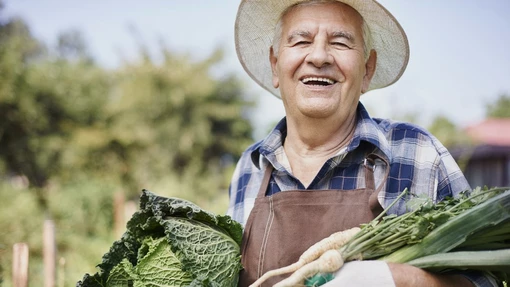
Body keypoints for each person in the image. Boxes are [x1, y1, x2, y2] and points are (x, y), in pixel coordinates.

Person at [227, 0, 500, 286]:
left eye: (340, 43)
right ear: (275, 64)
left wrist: (402, 279)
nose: (319, 56)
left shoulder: (417, 153)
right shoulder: (250, 166)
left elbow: (486, 281)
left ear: (367, 70)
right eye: (302, 41)